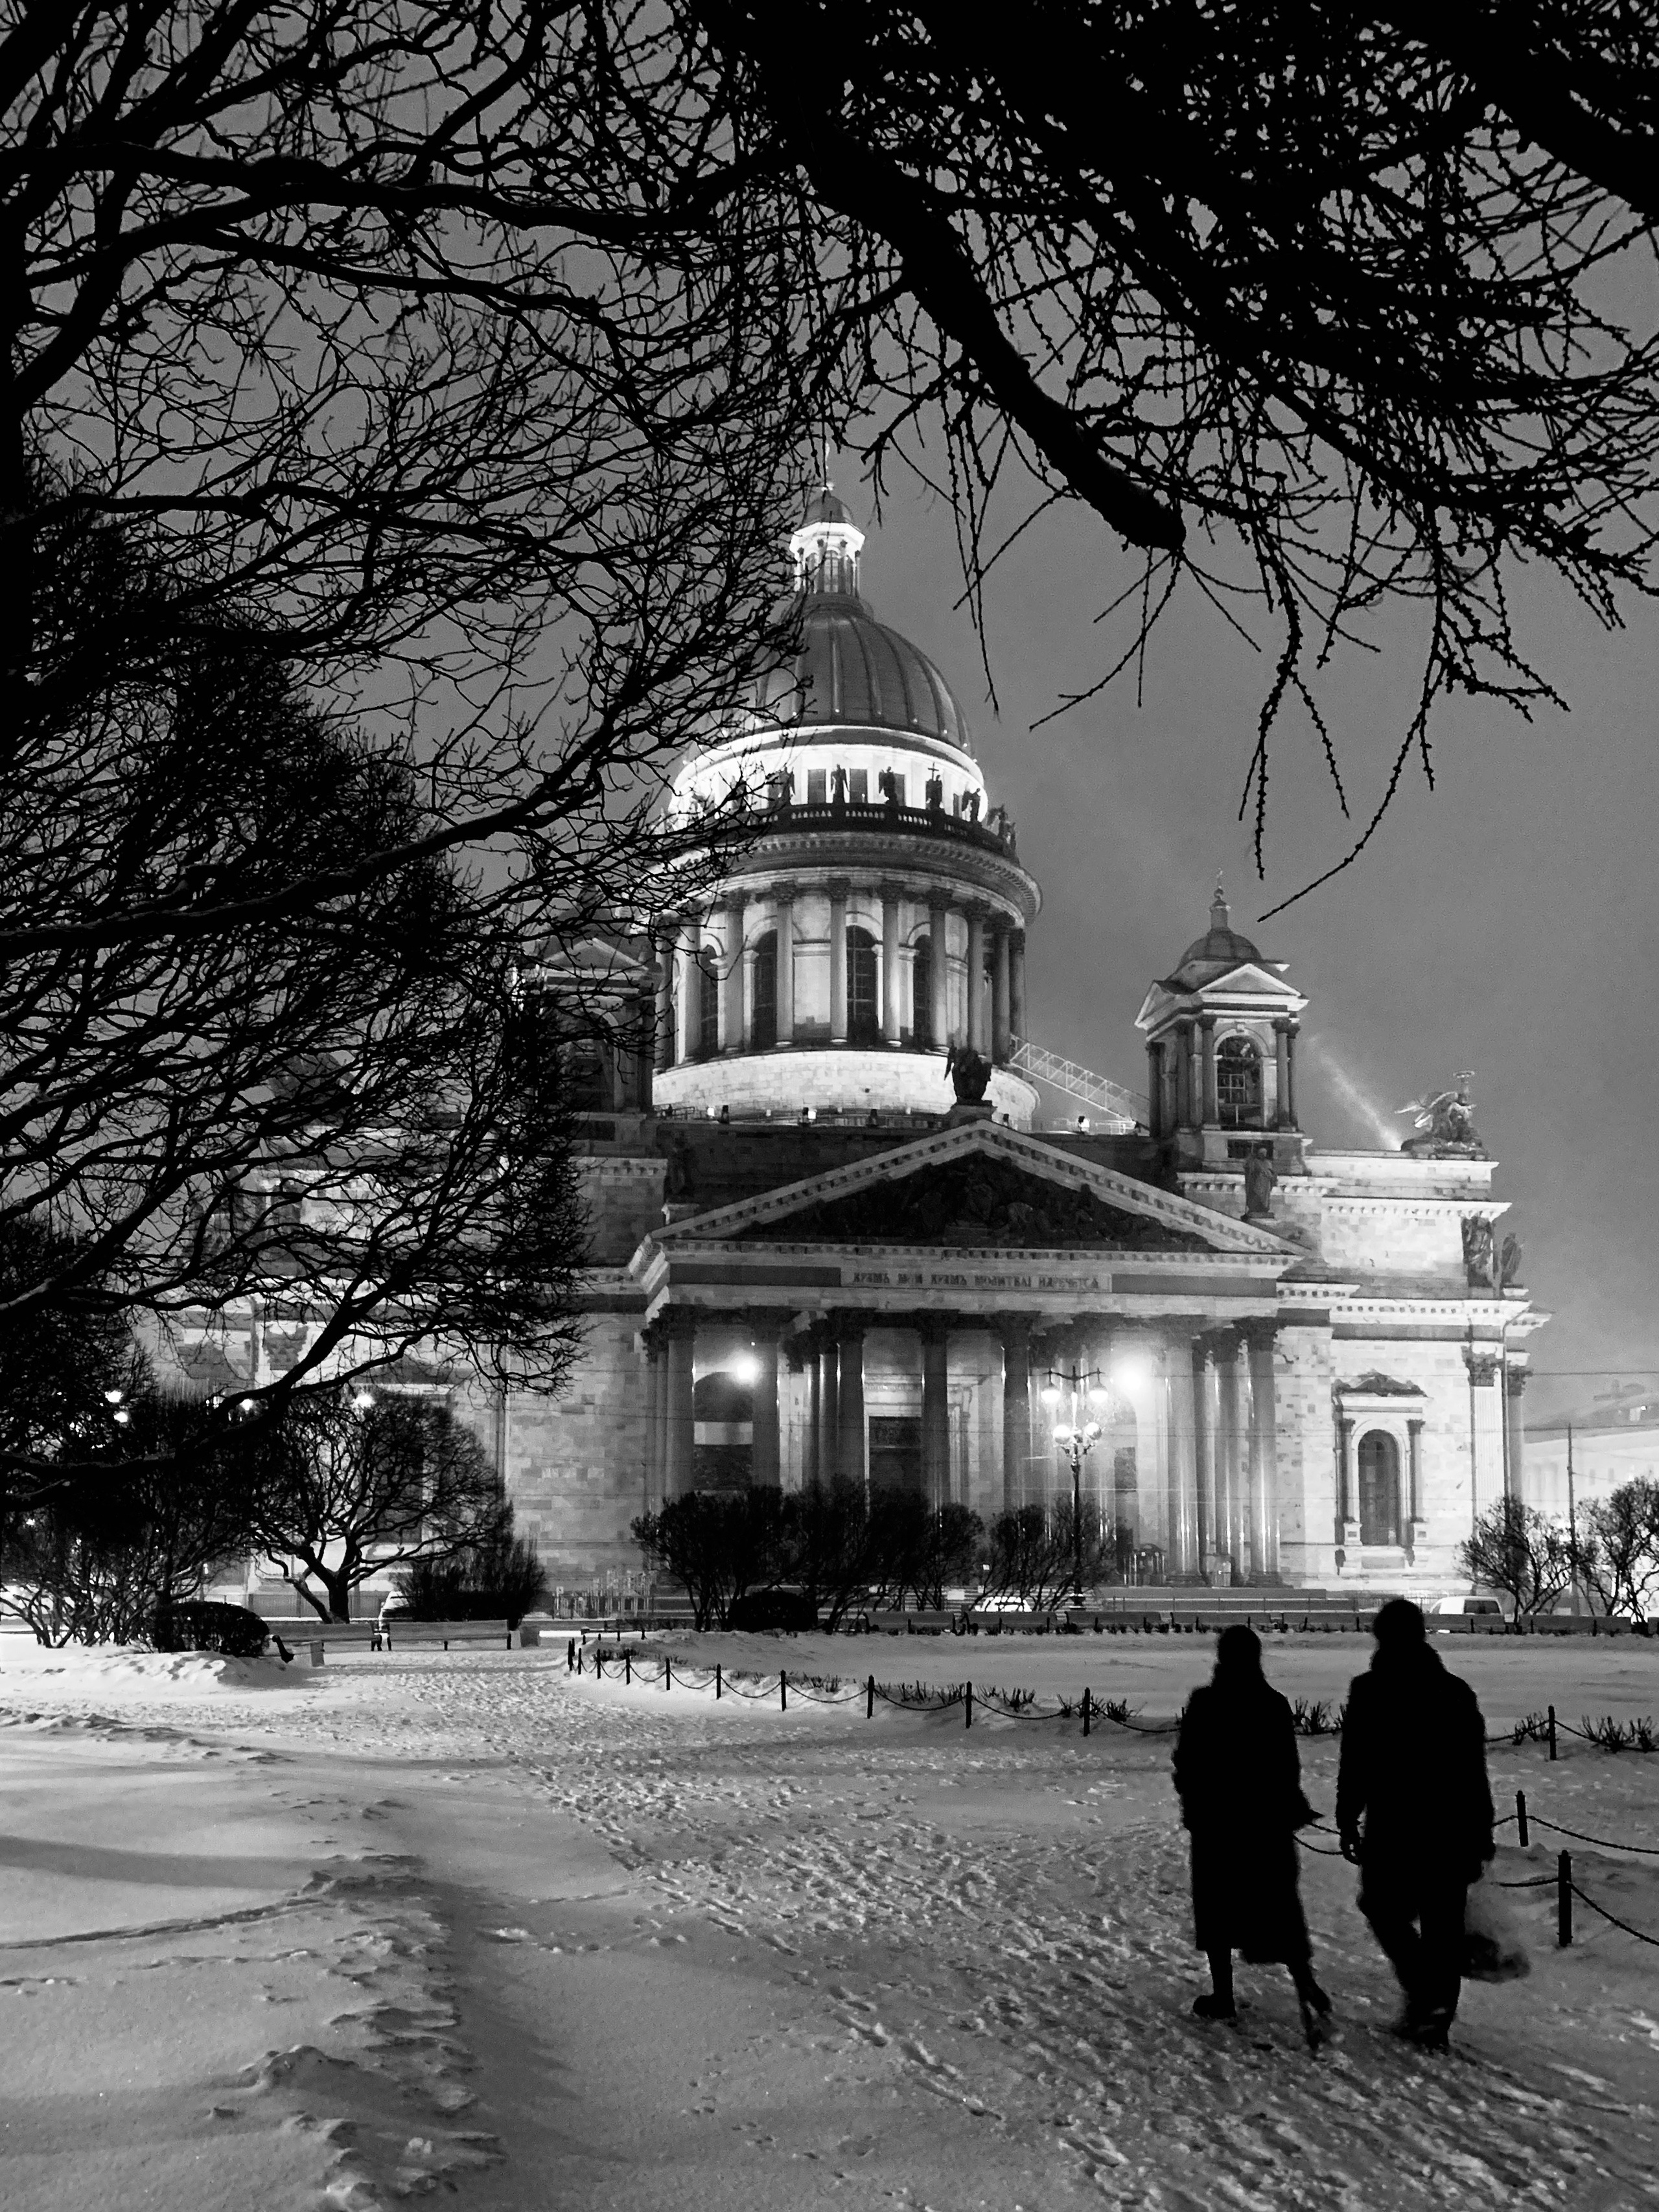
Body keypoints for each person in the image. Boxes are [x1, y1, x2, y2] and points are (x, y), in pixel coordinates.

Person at [1336, 1596, 1495, 2050]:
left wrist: (1349, 1815)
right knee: (1443, 1926)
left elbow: (1358, 1760)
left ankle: (1426, 1996)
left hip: (1397, 1826)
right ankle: (1436, 2019)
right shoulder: (1455, 1691)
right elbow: (1473, 1767)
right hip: (1452, 1827)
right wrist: (1481, 1830)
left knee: (1383, 1908)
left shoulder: (1371, 1689)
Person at [1172, 1625, 1330, 2033]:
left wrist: (1194, 1808)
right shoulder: (1272, 1703)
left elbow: (1188, 1762)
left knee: (1219, 1906)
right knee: (1278, 1904)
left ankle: (1223, 1994)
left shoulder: (1206, 1702)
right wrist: (1288, 1806)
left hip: (1219, 1823)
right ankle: (1305, 1983)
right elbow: (1286, 1765)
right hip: (1264, 1823)